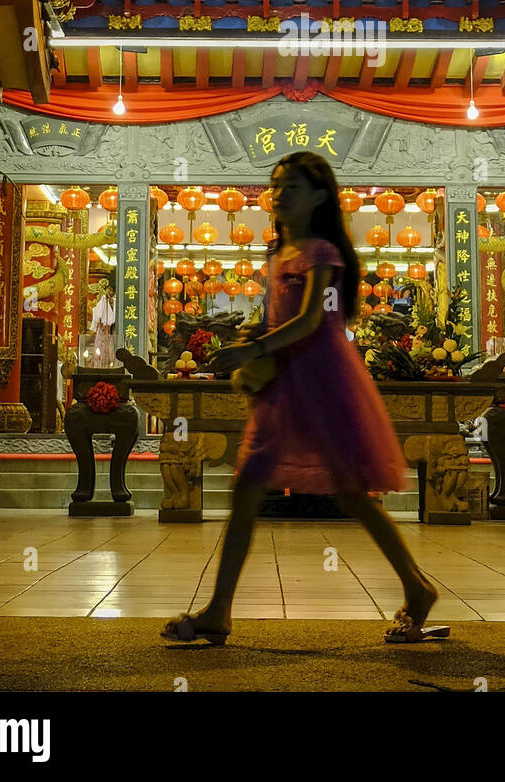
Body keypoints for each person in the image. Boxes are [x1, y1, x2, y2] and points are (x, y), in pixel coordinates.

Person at [163, 151, 445, 646]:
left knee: (352, 494)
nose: (278, 195)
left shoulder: (321, 253)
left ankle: (417, 588)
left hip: (323, 381)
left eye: (291, 186)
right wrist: (254, 334)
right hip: (282, 385)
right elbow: (279, 318)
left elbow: (314, 320)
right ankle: (218, 610)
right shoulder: (277, 254)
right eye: (275, 185)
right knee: (247, 488)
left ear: (318, 197)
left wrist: (253, 347)